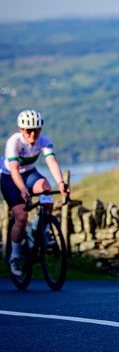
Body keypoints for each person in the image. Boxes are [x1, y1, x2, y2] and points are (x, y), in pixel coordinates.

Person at [1, 110, 70, 276]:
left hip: (30, 173)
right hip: (10, 177)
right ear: (21, 130)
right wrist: (22, 189)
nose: (33, 134)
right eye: (28, 131)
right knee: (21, 217)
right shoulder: (14, 142)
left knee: (46, 189)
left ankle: (41, 227)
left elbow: (52, 162)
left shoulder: (44, 141)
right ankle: (15, 255)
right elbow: (15, 169)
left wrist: (61, 183)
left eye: (36, 130)